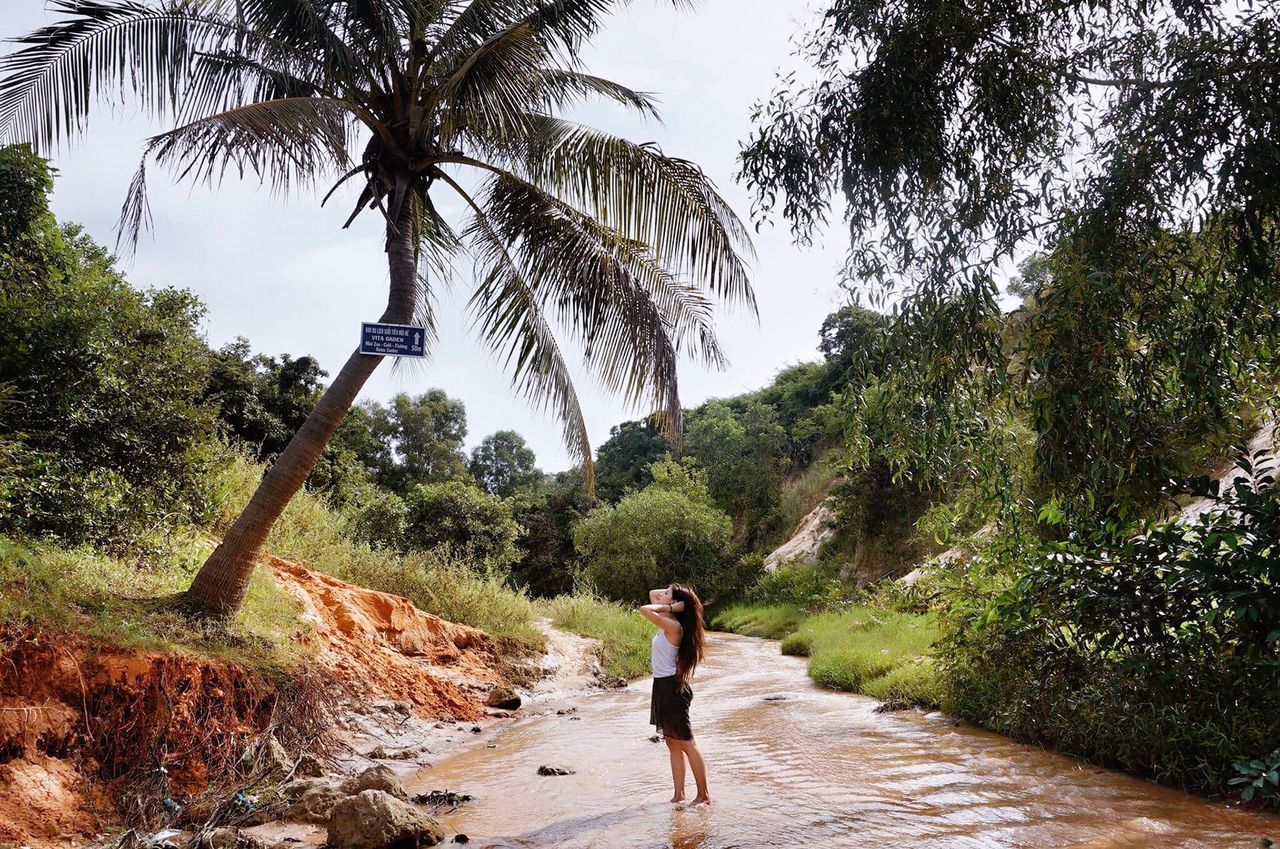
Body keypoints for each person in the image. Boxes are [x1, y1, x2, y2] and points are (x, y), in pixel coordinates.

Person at [641, 583, 710, 806]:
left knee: (687, 744)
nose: (661, 595)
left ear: (675, 605)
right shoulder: (671, 621)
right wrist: (674, 598)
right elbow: (652, 594)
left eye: (667, 594)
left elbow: (644, 608)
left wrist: (673, 607)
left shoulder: (674, 626)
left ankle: (703, 795)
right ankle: (679, 794)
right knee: (672, 743)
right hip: (662, 687)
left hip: (673, 688)